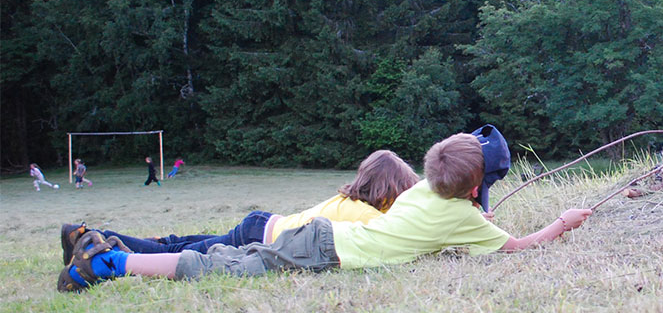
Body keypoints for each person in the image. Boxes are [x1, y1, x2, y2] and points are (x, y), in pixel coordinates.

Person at [56, 128, 593, 292]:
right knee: (213, 261)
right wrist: (562, 225)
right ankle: (107, 262)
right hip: (321, 249)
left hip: (313, 235)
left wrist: (477, 215)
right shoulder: (460, 214)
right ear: (476, 190)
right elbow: (518, 247)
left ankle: (104, 251)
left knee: (209, 249)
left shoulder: (422, 192)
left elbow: (439, 216)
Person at [60, 150, 417, 262]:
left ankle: (87, 235)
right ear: (388, 191)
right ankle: (97, 240)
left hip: (260, 224)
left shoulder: (347, 199)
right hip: (259, 235)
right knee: (184, 255)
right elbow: (394, 236)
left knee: (179, 244)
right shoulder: (367, 214)